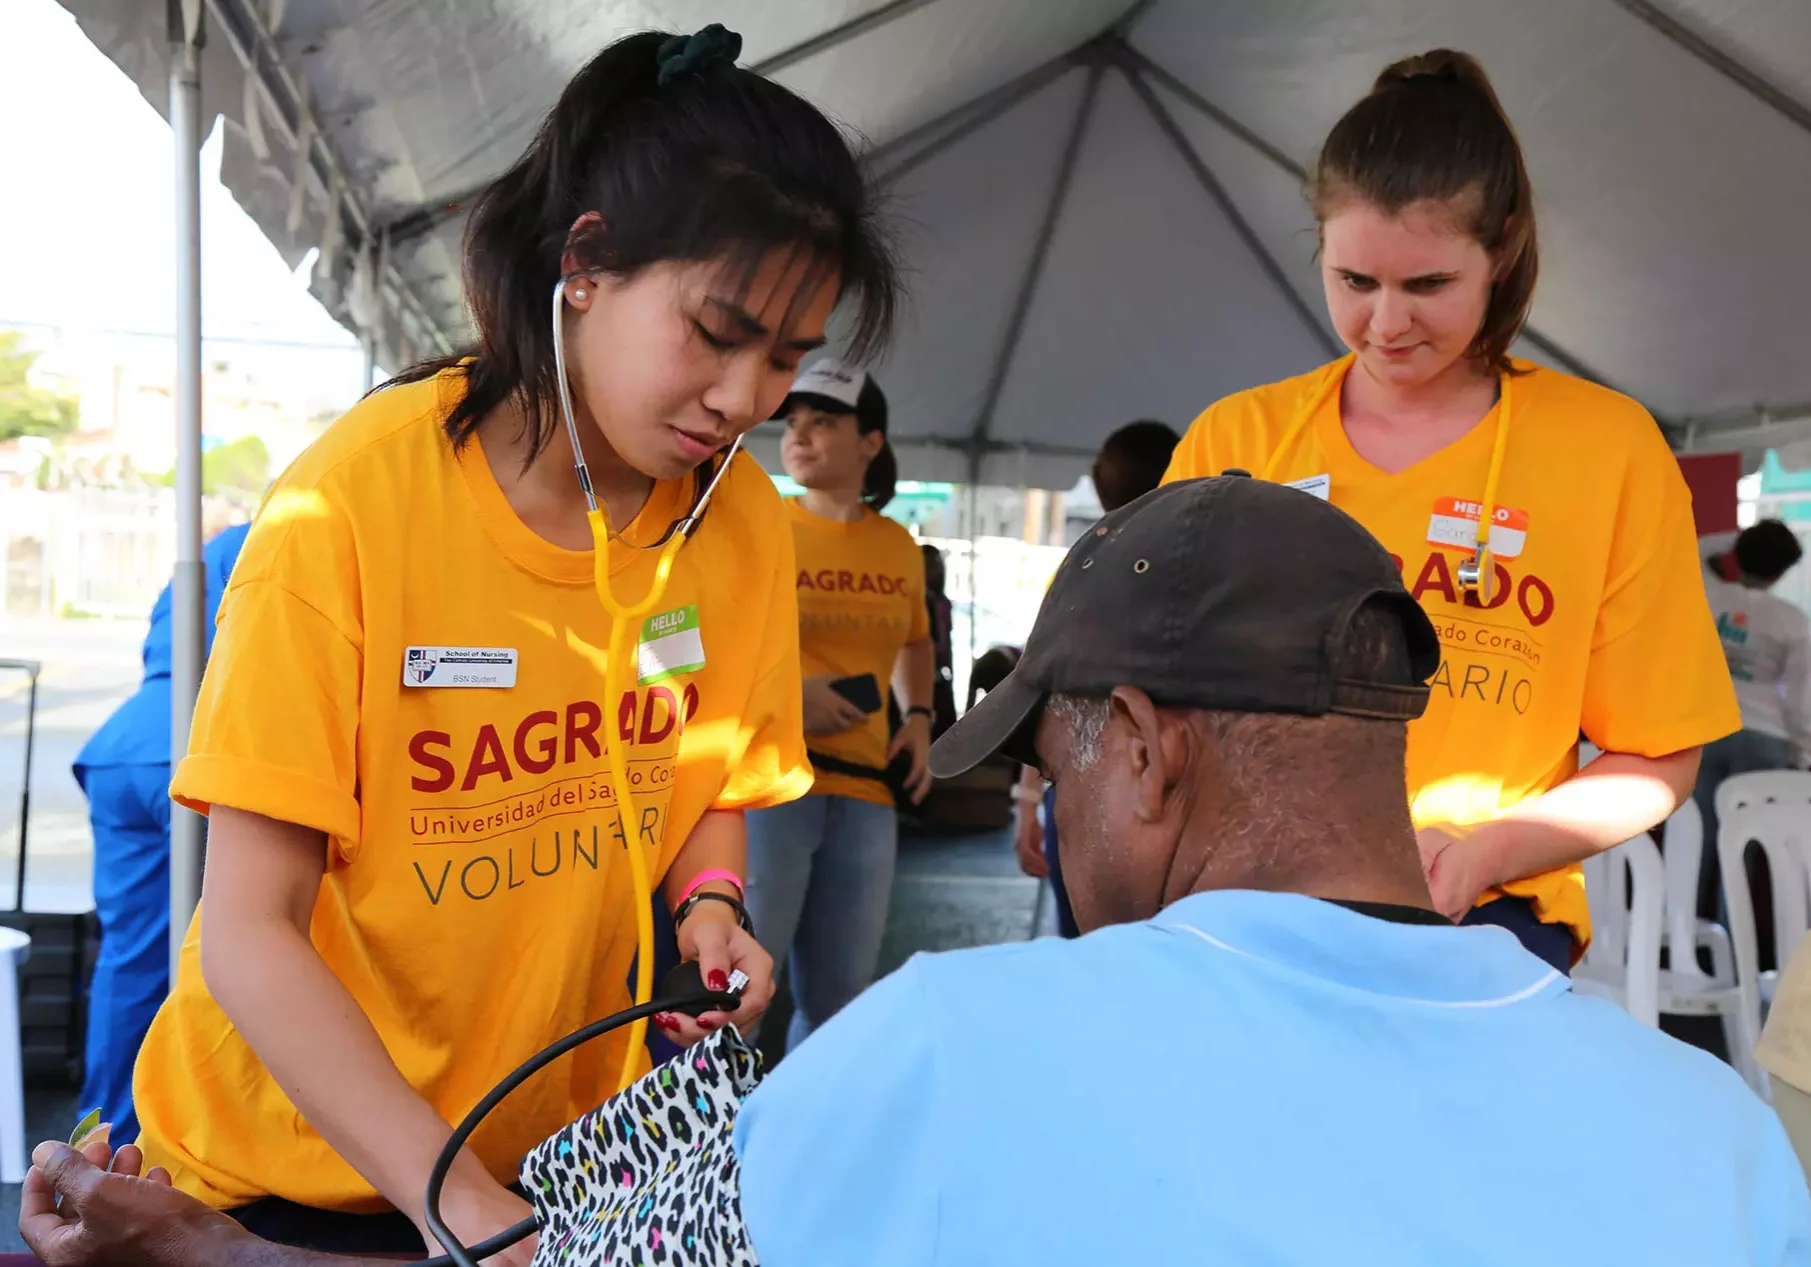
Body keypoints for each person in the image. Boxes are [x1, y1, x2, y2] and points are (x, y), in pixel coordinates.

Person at [28, 477, 1810, 1267]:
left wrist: (210, 1249)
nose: (1043, 821)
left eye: (1046, 768)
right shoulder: (1717, 1139)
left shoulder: (956, 1050)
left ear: (1144, 745)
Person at [122, 24, 897, 1262]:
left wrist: (709, 906)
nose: (746, 399)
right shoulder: (352, 504)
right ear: (583, 264)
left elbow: (707, 772)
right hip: (300, 1175)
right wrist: (462, 1206)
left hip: (544, 1168)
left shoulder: (737, 519)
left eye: (787, 359)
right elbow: (251, 931)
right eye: (717, 332)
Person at [1161, 49, 1738, 971]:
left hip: (1483, 918)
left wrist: (1486, 852)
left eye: (1426, 285)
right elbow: (1146, 699)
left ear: (1499, 252)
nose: (1386, 324)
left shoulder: (1605, 448)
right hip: (1244, 911)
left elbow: (1659, 755)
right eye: (1354, 282)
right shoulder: (1239, 439)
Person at [745, 360, 934, 1054]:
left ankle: (806, 1123)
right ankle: (714, 1125)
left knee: (838, 1003)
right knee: (737, 997)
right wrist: (788, 698)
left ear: (870, 443)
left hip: (865, 792)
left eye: (822, 422)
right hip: (771, 785)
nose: (798, 436)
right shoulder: (763, 525)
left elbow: (916, 639)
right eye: (793, 423)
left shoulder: (897, 545)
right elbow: (707, 645)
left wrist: (920, 719)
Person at [71, 521, 250, 1144]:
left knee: (131, 957)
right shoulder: (295, 529)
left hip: (126, 746)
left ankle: (99, 1143)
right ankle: (199, 1139)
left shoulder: (212, 547)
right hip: (201, 740)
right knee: (239, 946)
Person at [1014, 418, 1179, 938]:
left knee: (1087, 951)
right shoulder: (1203, 568)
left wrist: (1027, 800)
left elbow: (1042, 689)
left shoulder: (1079, 567)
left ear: (1102, 485)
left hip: (1081, 782)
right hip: (1178, 787)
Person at [1695, 519, 1810, 898]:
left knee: (1696, 838)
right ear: (1782, 571)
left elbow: (1699, 549)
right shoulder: (1793, 621)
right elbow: (1800, 700)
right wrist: (1803, 753)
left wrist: (1743, 543)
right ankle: (1733, 927)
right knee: (1743, 840)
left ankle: (1688, 925)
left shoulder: (1708, 596)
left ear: (1738, 555)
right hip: (1765, 739)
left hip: (1707, 731)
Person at [920, 544, 958, 738]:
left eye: (936, 564)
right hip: (922, 670)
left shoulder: (942, 602)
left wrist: (950, 669)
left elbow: (947, 640)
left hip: (940, 671)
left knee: (945, 727)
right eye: (928, 564)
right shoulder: (919, 600)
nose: (933, 569)